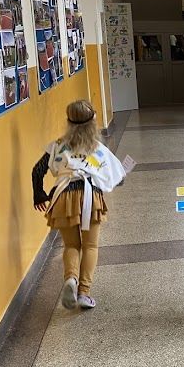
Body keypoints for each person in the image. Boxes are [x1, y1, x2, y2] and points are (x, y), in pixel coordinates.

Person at [32, 99, 125, 310]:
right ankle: (84, 292)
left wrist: (40, 195)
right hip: (90, 198)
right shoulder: (97, 149)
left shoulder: (58, 146)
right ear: (93, 122)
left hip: (64, 196)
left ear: (69, 121)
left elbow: (37, 171)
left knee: (71, 245)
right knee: (90, 246)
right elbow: (118, 176)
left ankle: (71, 279)